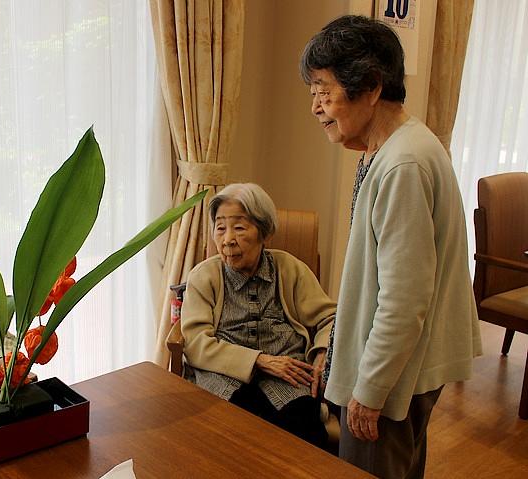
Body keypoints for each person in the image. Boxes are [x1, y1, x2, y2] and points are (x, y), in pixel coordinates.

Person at [300, 15, 482, 478]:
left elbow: (403, 299)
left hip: (392, 373)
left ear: (372, 87)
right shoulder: (391, 149)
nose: (317, 107)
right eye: (313, 93)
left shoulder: (403, 163)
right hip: (393, 363)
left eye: (325, 91)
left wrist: (370, 389)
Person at [181, 183, 336, 448]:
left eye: (239, 228)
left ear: (264, 231)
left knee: (303, 436)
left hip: (288, 374)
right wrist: (260, 361)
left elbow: (329, 318)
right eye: (220, 228)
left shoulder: (289, 268)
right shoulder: (203, 276)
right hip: (224, 374)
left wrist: (321, 354)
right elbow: (195, 343)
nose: (228, 239)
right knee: (238, 434)